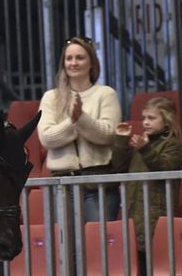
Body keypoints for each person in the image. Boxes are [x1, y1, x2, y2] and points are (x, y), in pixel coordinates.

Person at [37, 37, 121, 221]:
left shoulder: (105, 94)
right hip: (61, 184)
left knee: (98, 244)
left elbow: (107, 134)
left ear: (91, 63)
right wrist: (73, 122)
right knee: (67, 247)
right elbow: (47, 138)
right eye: (69, 58)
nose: (73, 63)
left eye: (80, 58)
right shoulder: (51, 97)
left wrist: (80, 118)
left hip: (98, 182)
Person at [113, 97, 182, 273]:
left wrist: (145, 149)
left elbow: (164, 167)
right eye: (144, 118)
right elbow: (119, 166)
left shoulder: (173, 144)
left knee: (155, 259)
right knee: (137, 260)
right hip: (135, 208)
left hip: (157, 210)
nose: (145, 122)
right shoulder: (142, 143)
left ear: (167, 120)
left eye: (152, 118)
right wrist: (121, 141)